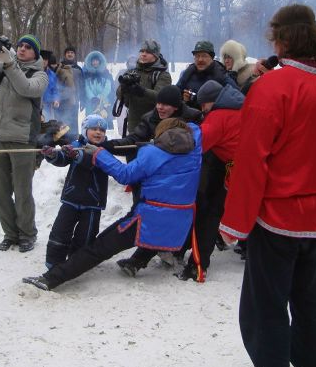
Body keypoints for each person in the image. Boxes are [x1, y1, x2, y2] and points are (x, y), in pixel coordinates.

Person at [220, 4, 316, 367]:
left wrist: (235, 221)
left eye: (274, 36)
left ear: (285, 40)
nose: (270, 42)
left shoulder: (274, 87)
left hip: (277, 216)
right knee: (308, 305)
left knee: (265, 311)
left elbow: (252, 160)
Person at [22, 117, 201, 291]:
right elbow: (196, 129)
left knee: (98, 248)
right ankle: (137, 261)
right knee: (153, 234)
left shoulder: (152, 154)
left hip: (147, 219)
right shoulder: (195, 152)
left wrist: (100, 154)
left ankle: (50, 279)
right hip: (179, 222)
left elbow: (125, 175)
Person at [0, 34, 48, 252]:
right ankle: (10, 233)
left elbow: (26, 88)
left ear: (35, 53)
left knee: (22, 191)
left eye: (28, 47)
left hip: (22, 139)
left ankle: (27, 233)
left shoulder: (40, 75)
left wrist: (9, 63)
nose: (22, 49)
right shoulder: (7, 67)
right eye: (20, 46)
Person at [177, 79, 244, 282]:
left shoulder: (218, 117)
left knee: (208, 214)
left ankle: (197, 265)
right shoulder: (241, 107)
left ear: (211, 101)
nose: (203, 109)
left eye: (204, 104)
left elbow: (197, 145)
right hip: (247, 167)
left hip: (232, 170)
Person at [40, 114, 111, 268]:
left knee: (85, 236)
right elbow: (63, 160)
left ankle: (76, 264)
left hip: (93, 202)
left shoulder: (105, 150)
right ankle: (53, 263)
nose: (98, 132)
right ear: (85, 130)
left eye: (102, 130)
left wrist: (77, 155)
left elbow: (93, 163)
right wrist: (53, 155)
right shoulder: (75, 144)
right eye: (94, 128)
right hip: (71, 198)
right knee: (60, 231)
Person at [115, 39, 171, 134]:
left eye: (148, 52)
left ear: (156, 55)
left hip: (154, 126)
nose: (143, 54)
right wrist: (123, 88)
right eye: (142, 51)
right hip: (133, 125)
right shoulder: (132, 72)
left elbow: (161, 97)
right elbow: (120, 97)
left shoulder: (162, 75)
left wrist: (141, 91)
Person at [176, 40, 238, 110]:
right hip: (189, 117)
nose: (200, 59)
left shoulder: (221, 75)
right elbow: (175, 95)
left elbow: (237, 99)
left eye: (204, 56)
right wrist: (185, 100)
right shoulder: (187, 74)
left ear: (212, 58)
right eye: (197, 56)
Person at [82, 50, 114, 128]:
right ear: (90, 62)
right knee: (91, 122)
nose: (95, 62)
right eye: (93, 61)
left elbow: (108, 87)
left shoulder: (106, 74)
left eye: (96, 61)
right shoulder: (87, 74)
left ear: (100, 62)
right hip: (90, 102)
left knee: (103, 122)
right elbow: (86, 87)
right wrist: (92, 97)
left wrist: (100, 97)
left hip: (103, 102)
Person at [40, 50, 61, 122]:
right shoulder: (33, 72)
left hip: (48, 107)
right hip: (35, 107)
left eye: (46, 59)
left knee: (47, 128)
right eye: (42, 59)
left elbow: (55, 90)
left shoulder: (52, 75)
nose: (44, 61)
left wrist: (56, 99)